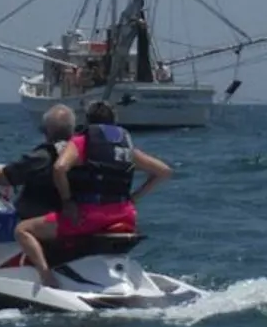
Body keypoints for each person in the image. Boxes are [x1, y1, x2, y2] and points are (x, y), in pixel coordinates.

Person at [14, 100, 172, 287]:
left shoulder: (82, 142)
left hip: (89, 217)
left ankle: (47, 277)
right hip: (125, 216)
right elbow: (164, 171)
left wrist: (67, 201)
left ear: (87, 120)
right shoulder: (126, 148)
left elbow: (60, 168)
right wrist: (135, 197)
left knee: (22, 229)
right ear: (114, 121)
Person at [0, 104, 76, 273]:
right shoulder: (78, 156)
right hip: (64, 222)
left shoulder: (41, 157)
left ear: (47, 132)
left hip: (29, 222)